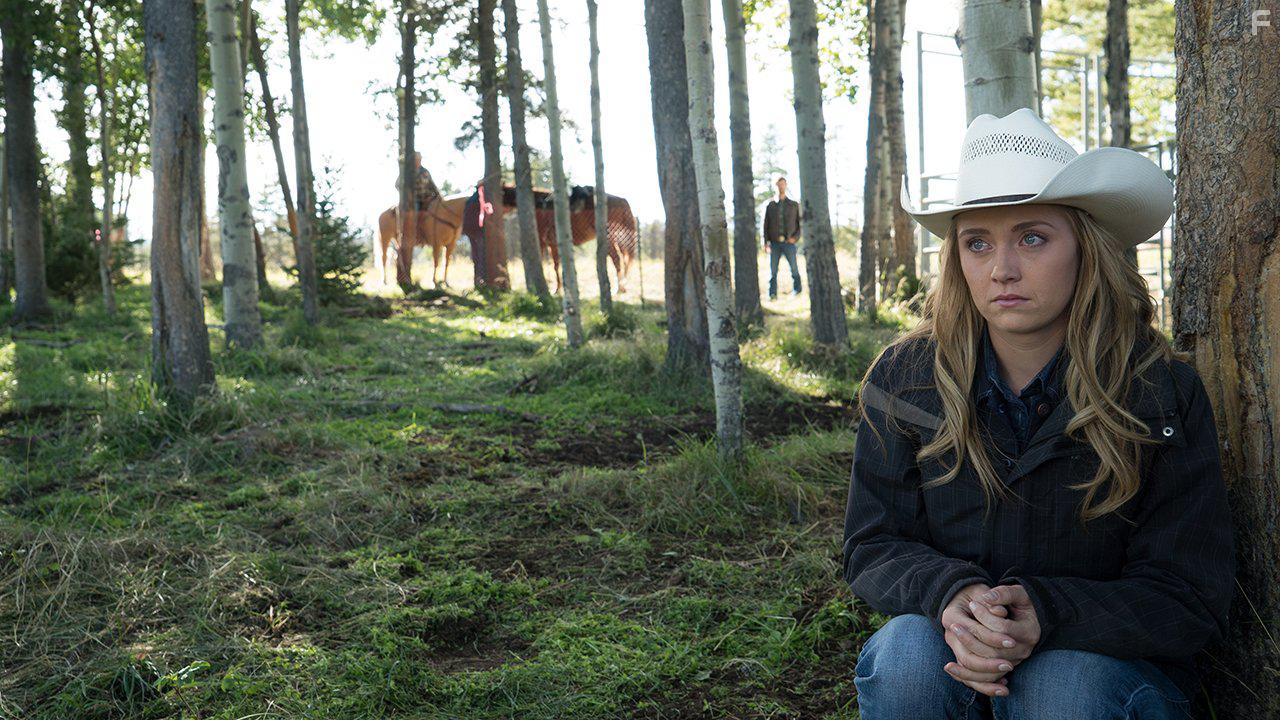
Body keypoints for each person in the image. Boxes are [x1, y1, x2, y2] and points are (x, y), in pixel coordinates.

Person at [844, 107, 1234, 720]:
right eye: (977, 243)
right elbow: (873, 543)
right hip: (953, 647)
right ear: (957, 261)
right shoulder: (906, 380)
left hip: (1105, 670)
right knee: (904, 657)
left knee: (1062, 686)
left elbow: (1187, 595)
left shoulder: (1159, 391)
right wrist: (955, 597)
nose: (1002, 269)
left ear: (1086, 247)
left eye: (1032, 237)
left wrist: (1045, 614)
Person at [761, 176, 802, 299]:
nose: (781, 187)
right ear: (776, 186)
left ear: (786, 185)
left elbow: (800, 224)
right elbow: (765, 225)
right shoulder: (770, 205)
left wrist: (795, 238)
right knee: (772, 271)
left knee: (794, 268)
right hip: (774, 243)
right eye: (779, 184)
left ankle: (797, 291)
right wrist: (765, 243)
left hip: (789, 243)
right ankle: (772, 294)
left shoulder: (794, 205)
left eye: (783, 184)